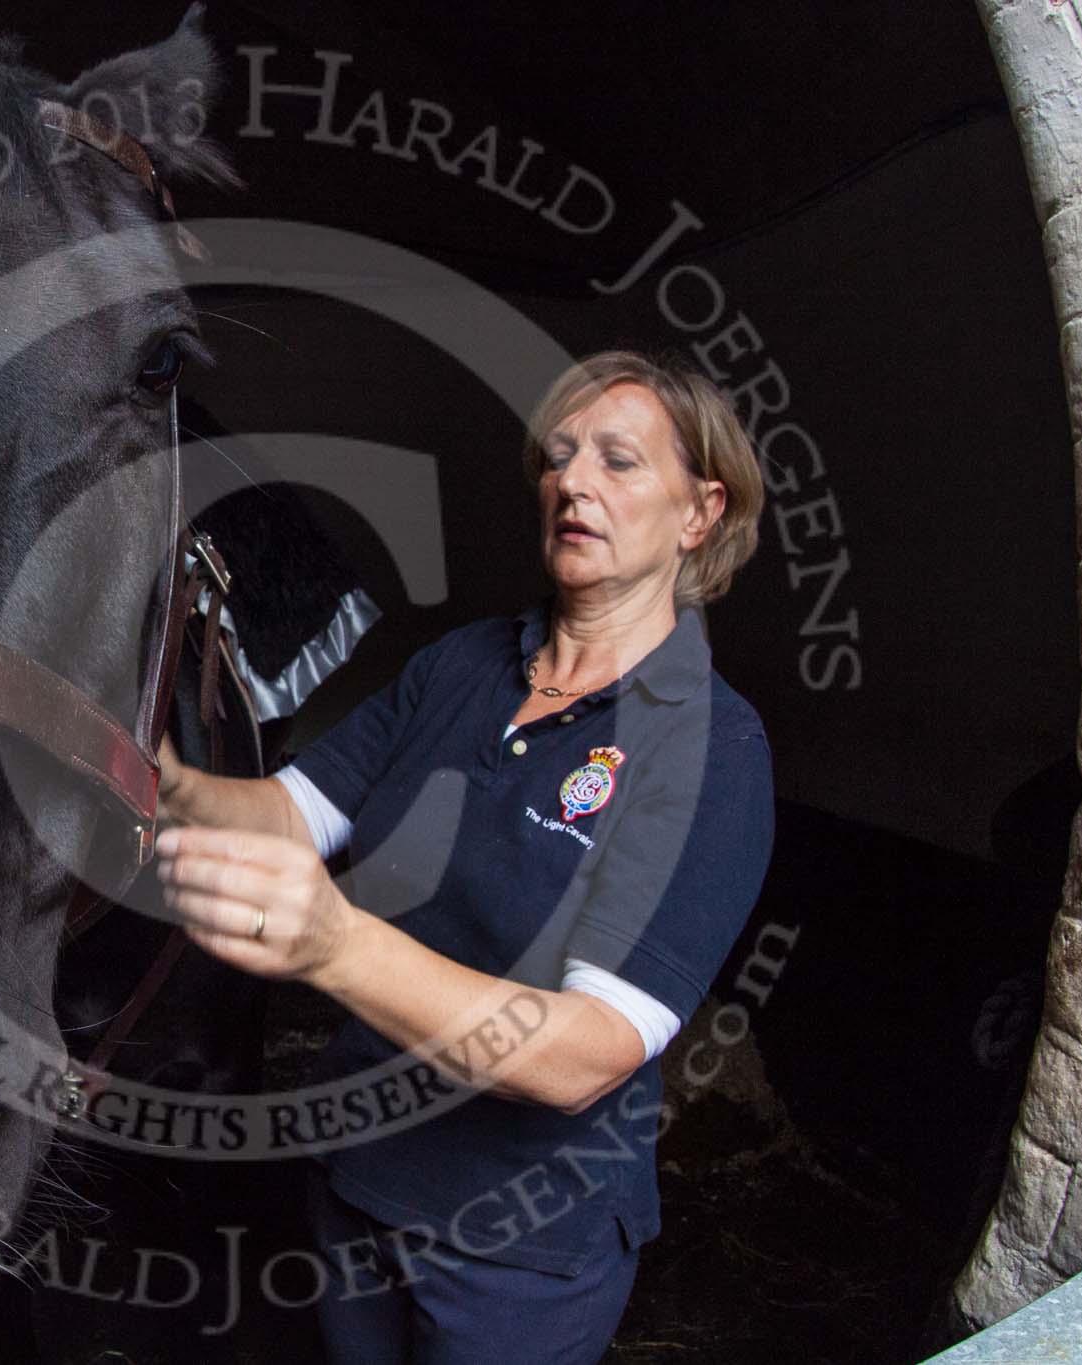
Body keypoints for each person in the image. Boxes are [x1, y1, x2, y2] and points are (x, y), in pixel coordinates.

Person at [153, 349, 775, 1363]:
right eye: (559, 455)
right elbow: (285, 813)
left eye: (616, 461)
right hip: (355, 1182)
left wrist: (329, 947)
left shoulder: (708, 746)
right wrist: (159, 779)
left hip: (518, 1249)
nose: (570, 480)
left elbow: (583, 1056)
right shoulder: (461, 663)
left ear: (699, 513)